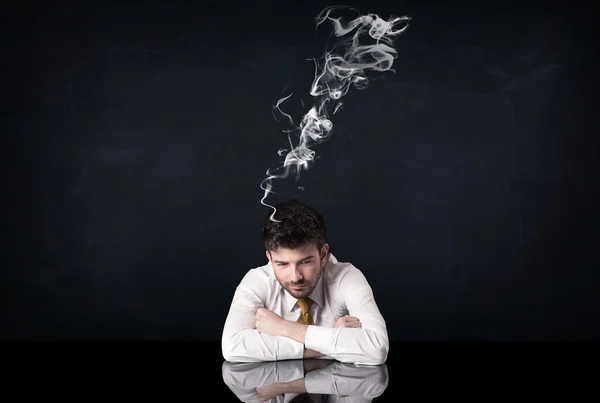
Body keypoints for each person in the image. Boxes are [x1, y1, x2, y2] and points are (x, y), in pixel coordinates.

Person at [221, 199, 389, 365]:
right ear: (270, 259)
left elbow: (377, 349)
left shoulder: (346, 277)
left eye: (305, 262)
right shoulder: (257, 281)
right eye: (282, 264)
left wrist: (284, 328)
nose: (295, 277)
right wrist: (331, 339)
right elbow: (232, 347)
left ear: (323, 255)